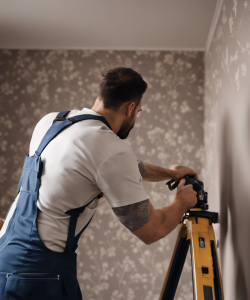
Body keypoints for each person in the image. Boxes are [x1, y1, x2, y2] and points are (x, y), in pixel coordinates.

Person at [0, 67, 198, 300]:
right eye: (139, 110)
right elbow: (152, 230)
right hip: (39, 275)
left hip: (5, 255)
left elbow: (123, 165)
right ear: (130, 107)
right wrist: (182, 201)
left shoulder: (52, 122)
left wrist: (170, 173)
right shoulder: (111, 149)